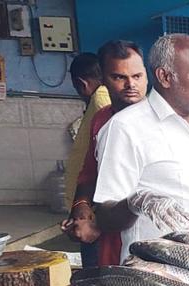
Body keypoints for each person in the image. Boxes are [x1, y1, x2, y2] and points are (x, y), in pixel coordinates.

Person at [93, 34, 189, 262]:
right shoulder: (125, 128)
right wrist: (136, 202)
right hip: (164, 281)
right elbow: (104, 217)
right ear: (164, 77)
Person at [60, 40, 148, 267]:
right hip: (106, 230)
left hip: (144, 233)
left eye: (137, 76)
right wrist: (81, 209)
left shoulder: (159, 123)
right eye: (119, 77)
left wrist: (97, 224)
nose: (131, 84)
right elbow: (90, 172)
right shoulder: (102, 119)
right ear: (104, 81)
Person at [63, 52, 110, 266]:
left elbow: (105, 158)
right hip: (88, 200)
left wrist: (87, 209)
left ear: (82, 84)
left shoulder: (101, 100)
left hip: (96, 204)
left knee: (95, 263)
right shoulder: (101, 100)